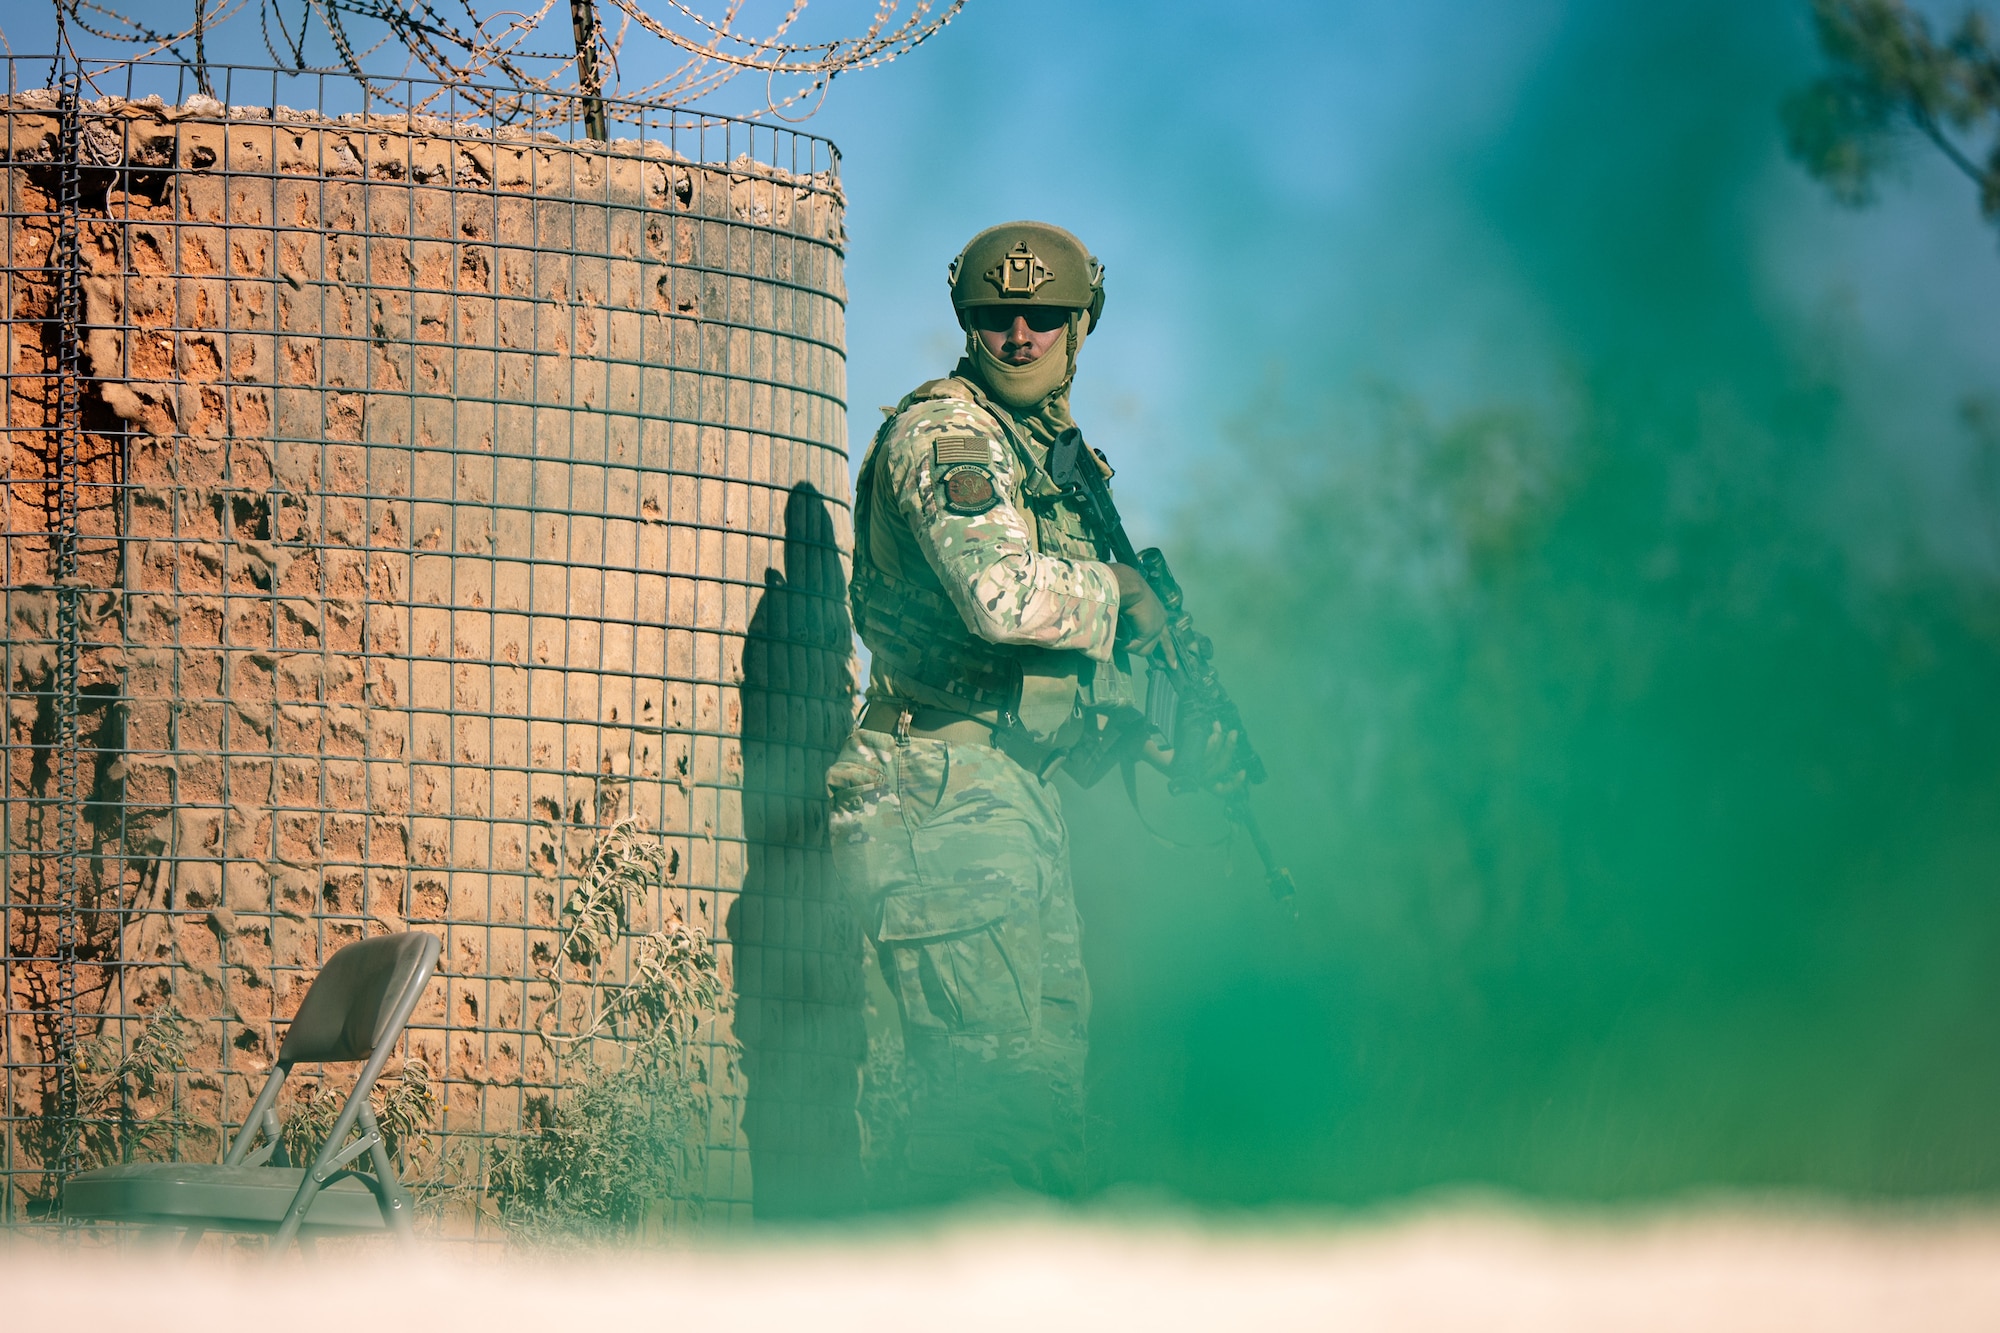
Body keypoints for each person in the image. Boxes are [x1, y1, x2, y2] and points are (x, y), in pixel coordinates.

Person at [826, 221, 1175, 1205]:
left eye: (1042, 317)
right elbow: (1001, 597)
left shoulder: (1046, 452)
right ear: (967, 323)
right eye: (995, 316)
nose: (1019, 335)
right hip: (939, 785)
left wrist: (1129, 726)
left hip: (990, 790)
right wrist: (1119, 595)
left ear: (1079, 326)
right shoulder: (949, 433)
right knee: (989, 1114)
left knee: (1036, 1106)